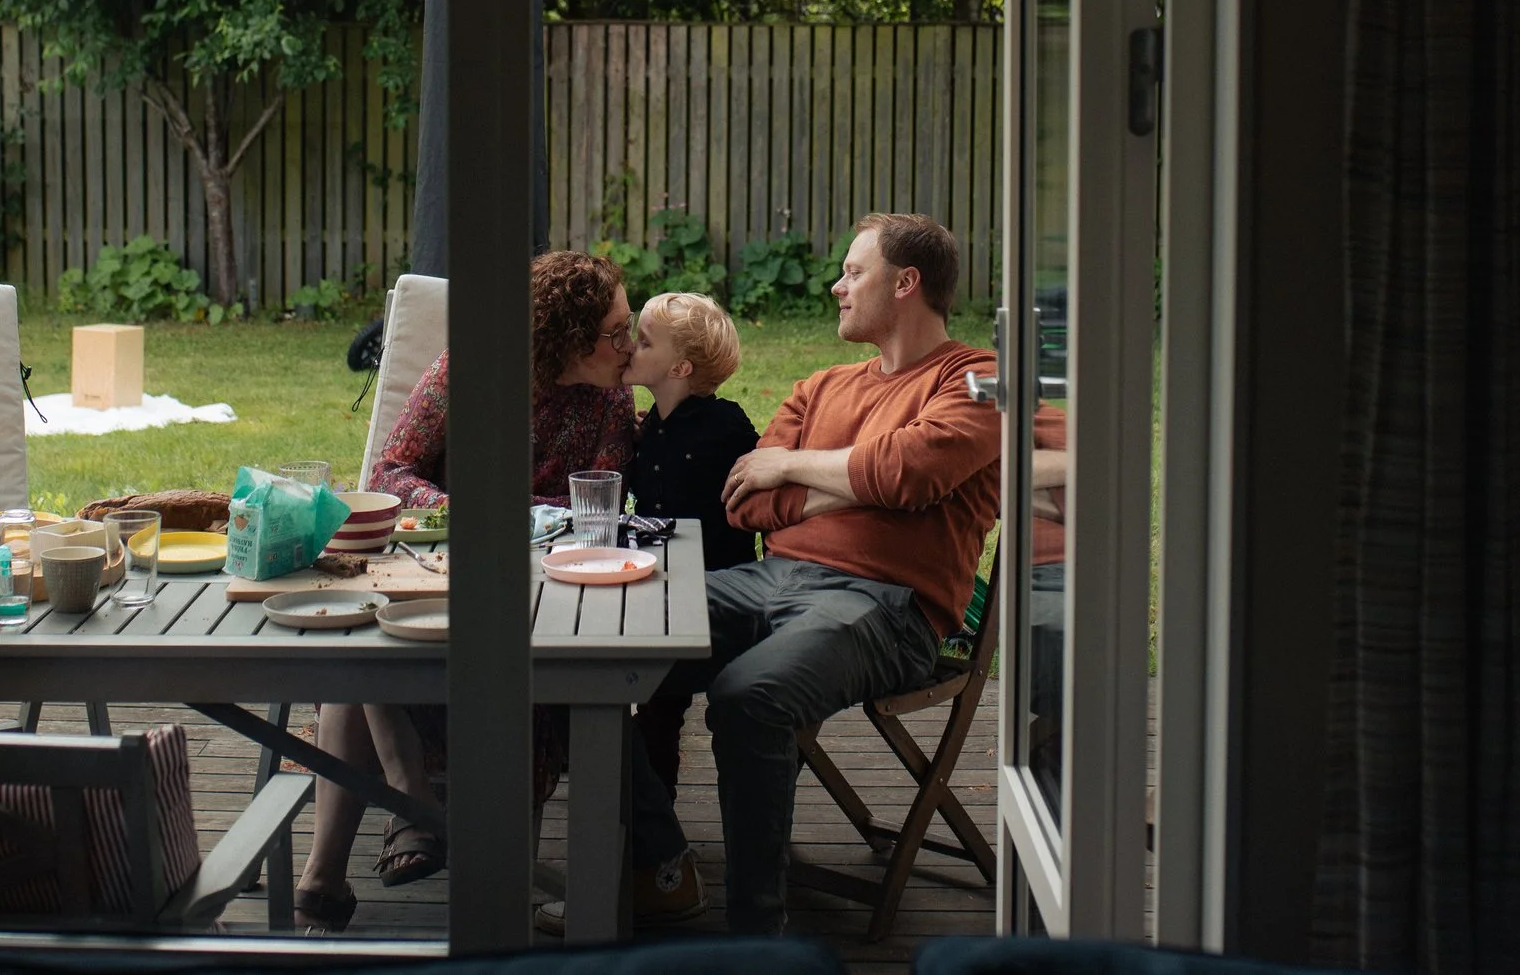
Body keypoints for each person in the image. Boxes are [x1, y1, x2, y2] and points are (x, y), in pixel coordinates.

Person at [294, 252, 706, 931]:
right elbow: (391, 470)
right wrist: (465, 514)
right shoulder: (471, 369)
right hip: (435, 572)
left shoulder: (609, 398)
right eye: (614, 331)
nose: (627, 345)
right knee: (362, 639)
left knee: (364, 654)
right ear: (567, 337)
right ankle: (337, 865)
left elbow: (592, 507)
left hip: (539, 594)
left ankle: (403, 818)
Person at [643, 212, 999, 935]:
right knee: (591, 645)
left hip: (890, 608)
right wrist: (852, 482)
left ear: (906, 283)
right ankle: (659, 856)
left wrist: (796, 465)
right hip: (774, 581)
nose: (837, 285)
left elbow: (911, 471)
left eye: (853, 271)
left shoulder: (982, 379)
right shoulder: (820, 384)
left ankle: (756, 935)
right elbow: (749, 500)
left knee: (749, 697)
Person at [622, 290, 759, 793]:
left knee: (657, 703)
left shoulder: (726, 426)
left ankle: (654, 840)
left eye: (643, 342)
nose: (629, 348)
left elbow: (760, 490)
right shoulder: (650, 427)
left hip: (717, 595)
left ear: (678, 367)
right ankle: (651, 824)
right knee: (652, 706)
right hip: (659, 583)